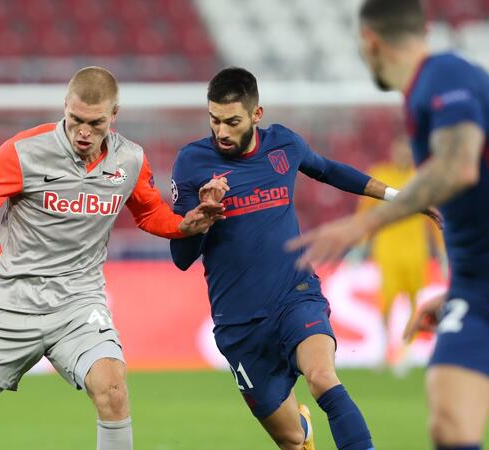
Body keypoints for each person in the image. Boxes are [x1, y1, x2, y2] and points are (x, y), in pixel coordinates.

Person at [0, 66, 225, 450]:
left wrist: (188, 225)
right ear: (64, 109)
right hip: (10, 305)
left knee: (112, 386)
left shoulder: (130, 161)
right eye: (75, 120)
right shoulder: (24, 152)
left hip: (77, 303)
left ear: (113, 116)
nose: (83, 132)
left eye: (95, 122)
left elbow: (150, 215)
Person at [286, 1, 489, 449]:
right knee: (450, 424)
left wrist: (364, 225)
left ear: (370, 42)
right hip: (485, 291)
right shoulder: (430, 88)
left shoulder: (442, 76)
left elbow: (458, 167)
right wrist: (461, 290)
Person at [168, 66, 412, 450]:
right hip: (238, 322)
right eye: (214, 120)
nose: (222, 132)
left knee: (322, 379)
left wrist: (399, 196)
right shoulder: (192, 163)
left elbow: (330, 171)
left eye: (232, 121)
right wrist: (201, 218)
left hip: (295, 295)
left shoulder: (283, 144)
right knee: (292, 441)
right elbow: (181, 257)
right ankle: (303, 431)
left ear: (256, 115)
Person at [356, 136, 443, 368]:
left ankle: (406, 350)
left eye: (408, 153)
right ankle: (385, 348)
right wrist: (361, 244)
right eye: (400, 152)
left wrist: (442, 252)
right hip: (388, 252)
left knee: (416, 303)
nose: (404, 157)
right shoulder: (381, 174)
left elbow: (434, 219)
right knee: (387, 302)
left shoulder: (420, 179)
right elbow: (366, 214)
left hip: (416, 253)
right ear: (393, 153)